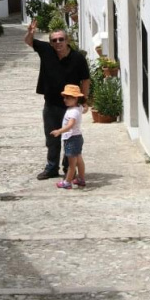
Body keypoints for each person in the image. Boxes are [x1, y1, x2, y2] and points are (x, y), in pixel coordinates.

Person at [24, 19, 90, 180]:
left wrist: (84, 100)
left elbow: (86, 80)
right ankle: (52, 167)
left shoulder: (77, 58)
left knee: (70, 136)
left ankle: (69, 167)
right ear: (51, 43)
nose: (58, 42)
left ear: (67, 41)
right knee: (52, 137)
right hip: (51, 103)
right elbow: (29, 41)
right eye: (54, 40)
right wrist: (30, 32)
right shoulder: (46, 50)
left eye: (61, 39)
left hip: (71, 106)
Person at [51, 84, 86, 189]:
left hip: (71, 139)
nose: (65, 100)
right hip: (77, 137)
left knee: (71, 164)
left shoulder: (73, 112)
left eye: (68, 97)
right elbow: (85, 108)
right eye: (64, 97)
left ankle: (67, 182)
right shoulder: (78, 108)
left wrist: (59, 131)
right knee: (79, 160)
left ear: (75, 98)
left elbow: (70, 125)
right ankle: (81, 179)